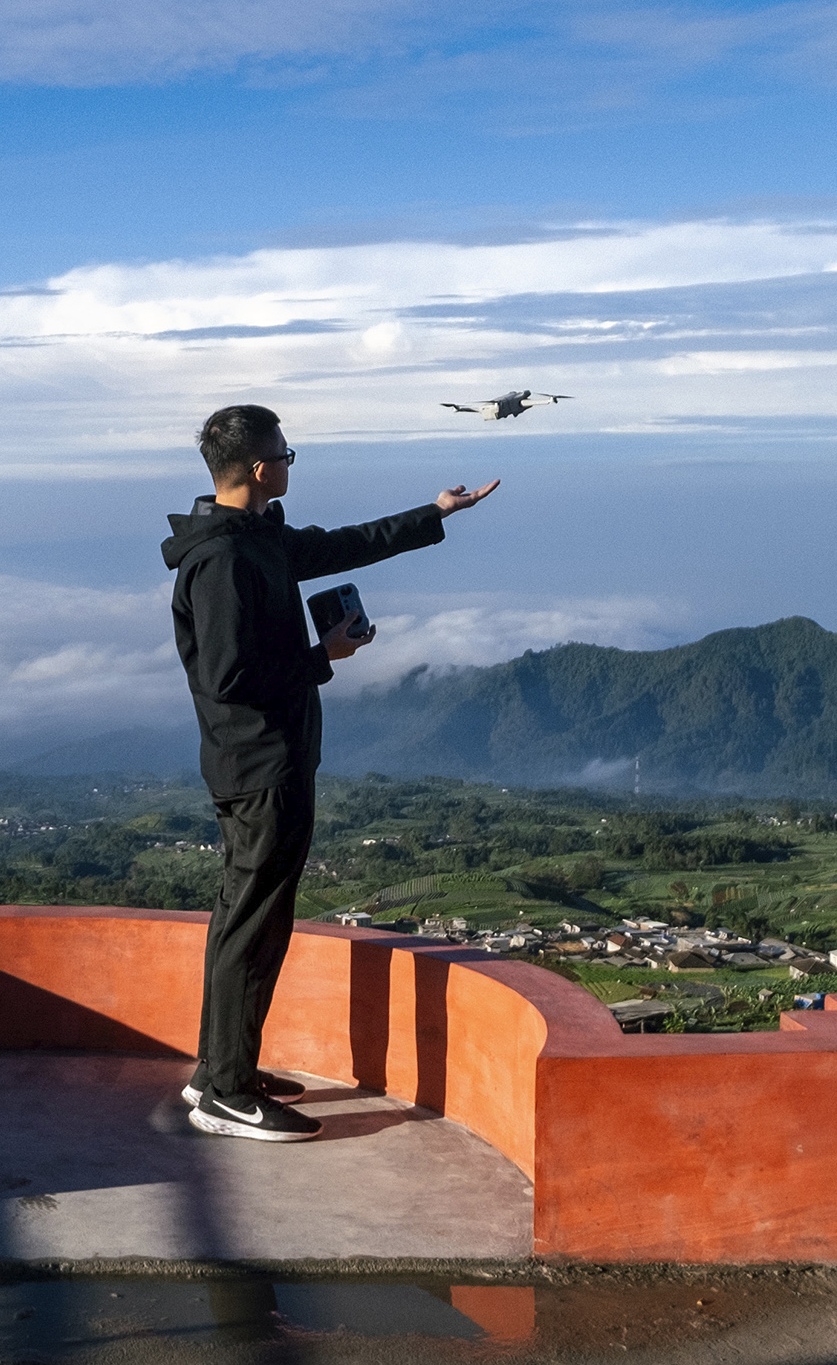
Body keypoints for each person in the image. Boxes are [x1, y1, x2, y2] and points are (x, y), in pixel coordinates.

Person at [162, 404, 499, 1142]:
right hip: (258, 767)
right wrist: (324, 659)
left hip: (268, 761)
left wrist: (436, 513)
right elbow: (228, 679)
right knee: (252, 926)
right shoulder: (221, 561)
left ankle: (223, 1070)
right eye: (286, 453)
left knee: (248, 920)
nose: (290, 464)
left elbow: (345, 544)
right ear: (259, 468)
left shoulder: (257, 540)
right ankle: (225, 1091)